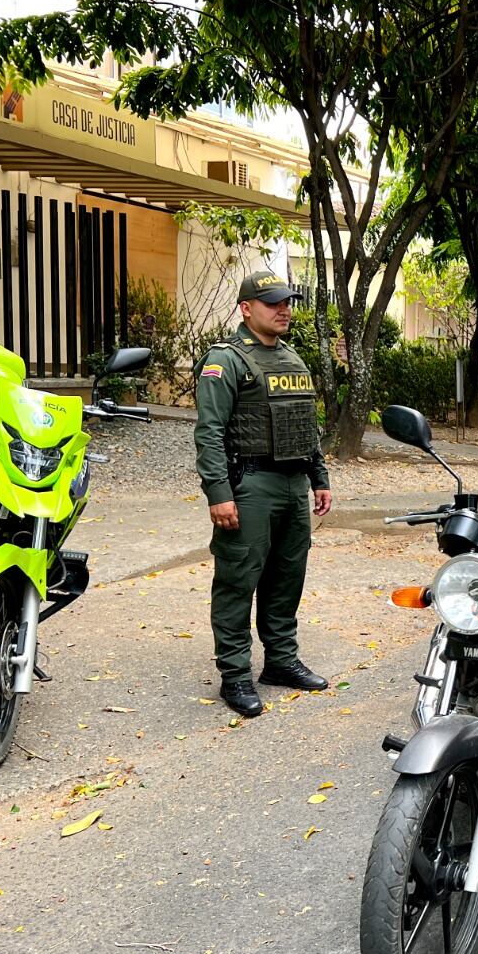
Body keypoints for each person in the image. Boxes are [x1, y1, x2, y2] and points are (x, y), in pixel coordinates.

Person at [194, 271, 333, 717]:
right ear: (246, 309)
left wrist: (319, 477)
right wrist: (219, 493)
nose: (284, 309)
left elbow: (306, 426)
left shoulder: (293, 359)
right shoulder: (225, 360)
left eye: (287, 301)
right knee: (238, 581)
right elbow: (209, 433)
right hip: (250, 485)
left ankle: (281, 661)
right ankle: (235, 676)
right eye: (273, 302)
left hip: (293, 485)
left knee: (286, 579)